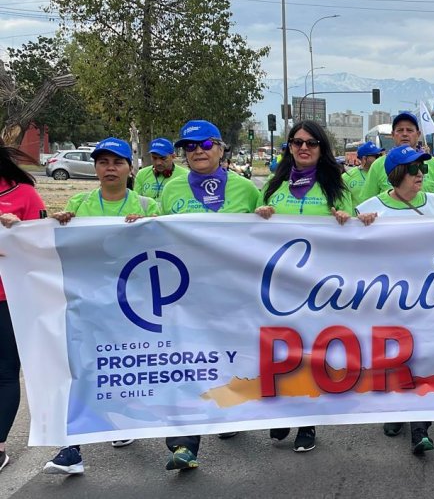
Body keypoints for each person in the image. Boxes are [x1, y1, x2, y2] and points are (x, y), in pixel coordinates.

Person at [41, 138, 159, 475]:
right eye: (103, 162)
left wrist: (148, 228)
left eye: (117, 162)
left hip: (133, 309)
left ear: (130, 168)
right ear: (95, 168)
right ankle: (71, 449)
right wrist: (54, 224)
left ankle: (121, 421)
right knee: (81, 371)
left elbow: (168, 249)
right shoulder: (79, 203)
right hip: (89, 307)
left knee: (128, 369)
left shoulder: (149, 206)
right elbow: (51, 242)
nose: (109, 168)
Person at [158, 120, 260, 471]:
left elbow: (268, 236)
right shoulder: (171, 190)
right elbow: (155, 237)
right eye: (190, 147)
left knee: (229, 362)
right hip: (185, 299)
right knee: (186, 366)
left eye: (204, 145)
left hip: (234, 297)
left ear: (220, 148)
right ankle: (184, 444)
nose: (197, 151)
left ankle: (229, 414)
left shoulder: (247, 190)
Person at [254, 120, 353, 453]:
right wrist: (259, 216)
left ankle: (307, 424)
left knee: (310, 353)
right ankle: (283, 413)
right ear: (289, 148)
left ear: (321, 149)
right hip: (278, 286)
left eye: (311, 143)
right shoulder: (272, 186)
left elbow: (357, 238)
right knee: (279, 351)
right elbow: (249, 233)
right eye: (297, 142)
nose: (304, 148)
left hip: (318, 288)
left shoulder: (336, 188)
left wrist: (345, 221)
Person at [354, 145, 434, 454]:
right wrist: (358, 225)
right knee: (395, 358)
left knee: (424, 357)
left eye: (422, 168)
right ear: (397, 175)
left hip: (429, 299)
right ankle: (396, 410)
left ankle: (419, 427)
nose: (420, 174)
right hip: (389, 301)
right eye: (412, 170)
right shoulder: (371, 207)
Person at [0, 145, 46, 474]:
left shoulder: (25, 195)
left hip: (8, 299)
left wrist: (19, 234)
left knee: (4, 373)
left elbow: (43, 248)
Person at [359, 113, 434, 202]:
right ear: (392, 135)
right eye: (400, 130)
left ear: (418, 134)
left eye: (409, 130)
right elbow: (367, 202)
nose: (404, 134)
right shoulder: (378, 165)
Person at [342, 141, 383, 207]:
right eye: (376, 156)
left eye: (380, 155)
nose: (379, 158)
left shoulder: (383, 174)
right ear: (364, 159)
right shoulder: (347, 177)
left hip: (376, 216)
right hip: (355, 217)